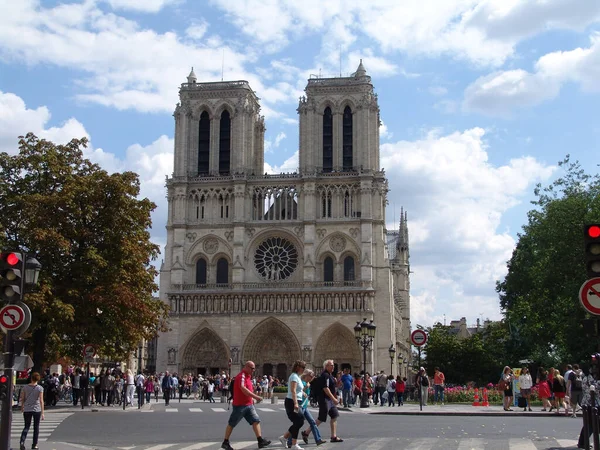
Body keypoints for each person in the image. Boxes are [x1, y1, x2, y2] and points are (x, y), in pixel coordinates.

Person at [221, 361, 271, 450]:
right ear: (246, 367)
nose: (253, 370)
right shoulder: (241, 376)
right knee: (232, 423)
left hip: (249, 404)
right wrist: (256, 397)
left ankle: (260, 441)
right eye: (252, 368)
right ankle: (225, 442)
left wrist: (251, 399)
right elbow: (243, 388)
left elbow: (247, 390)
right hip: (240, 405)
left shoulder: (248, 376)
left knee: (256, 420)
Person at [288, 369, 325, 448]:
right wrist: (305, 387)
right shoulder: (302, 382)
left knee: (312, 422)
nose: (312, 378)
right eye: (311, 376)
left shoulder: (308, 383)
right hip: (300, 405)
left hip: (304, 406)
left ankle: (318, 439)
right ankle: (289, 440)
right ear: (307, 375)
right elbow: (298, 392)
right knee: (297, 424)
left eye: (313, 376)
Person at [278, 360, 307, 450]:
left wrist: (302, 393)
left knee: (299, 421)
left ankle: (286, 438)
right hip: (291, 402)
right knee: (299, 421)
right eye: (303, 368)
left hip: (295, 400)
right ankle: (292, 443)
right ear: (298, 367)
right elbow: (293, 390)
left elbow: (297, 390)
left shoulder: (297, 376)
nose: (304, 370)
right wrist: (295, 403)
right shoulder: (294, 376)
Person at [314, 359, 343, 443]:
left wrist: (337, 383)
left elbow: (330, 387)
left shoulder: (329, 375)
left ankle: (333, 436)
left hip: (329, 400)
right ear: (326, 366)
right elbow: (325, 388)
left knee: (334, 416)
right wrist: (333, 399)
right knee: (321, 418)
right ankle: (306, 432)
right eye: (331, 365)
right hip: (325, 399)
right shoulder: (325, 375)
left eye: (333, 365)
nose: (333, 366)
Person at [19, 371, 44, 450]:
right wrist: (43, 412)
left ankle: (22, 441)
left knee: (26, 426)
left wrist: (22, 406)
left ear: (31, 378)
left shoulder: (25, 387)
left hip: (27, 409)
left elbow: (22, 398)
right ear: (38, 379)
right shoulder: (40, 388)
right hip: (36, 409)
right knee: (36, 427)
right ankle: (34, 444)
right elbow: (41, 400)